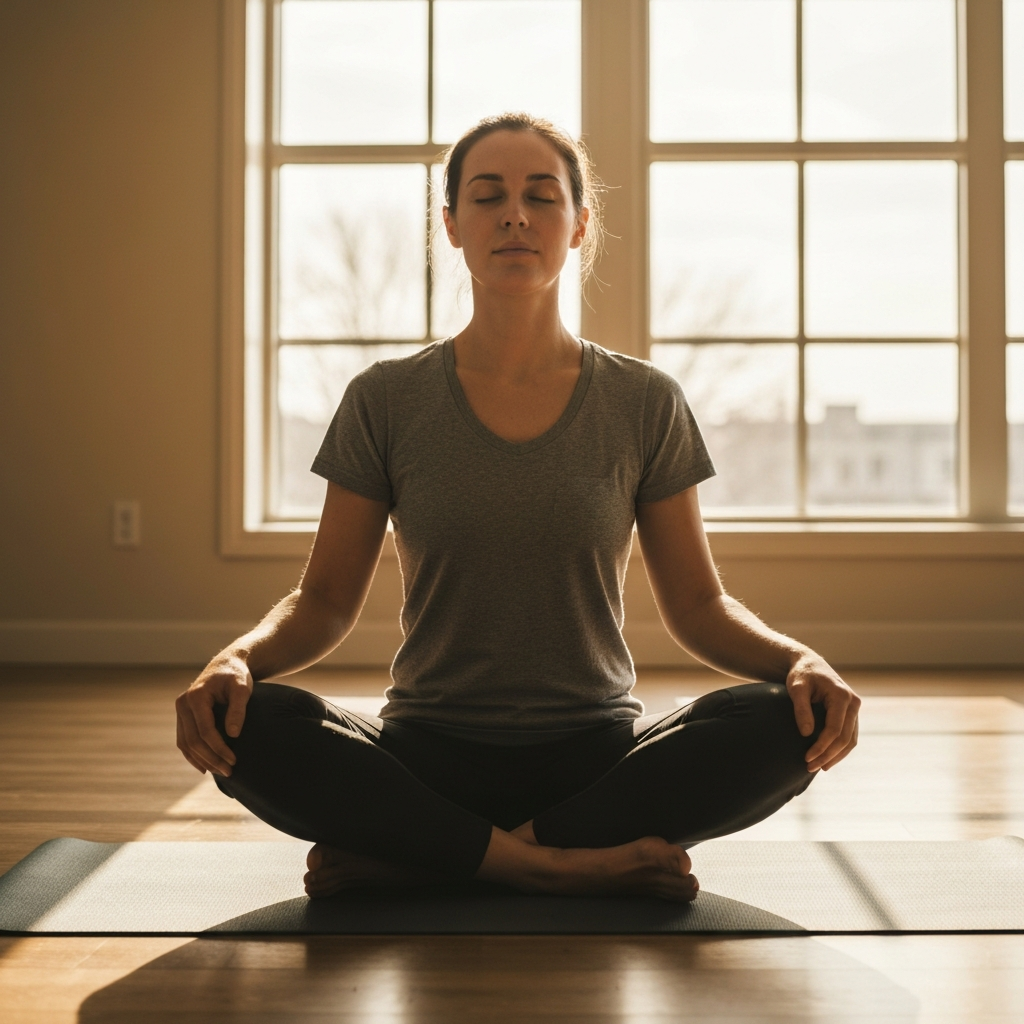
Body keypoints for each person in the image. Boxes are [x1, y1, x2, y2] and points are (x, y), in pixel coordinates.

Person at [175, 113, 860, 902]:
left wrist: (800, 661)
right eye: (487, 195)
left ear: (578, 226)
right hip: (426, 756)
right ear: (451, 227)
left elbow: (699, 606)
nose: (514, 215)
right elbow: (324, 600)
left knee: (784, 722)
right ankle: (562, 865)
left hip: (594, 759)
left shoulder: (645, 402)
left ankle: (429, 858)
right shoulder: (385, 400)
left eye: (541, 196)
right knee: (249, 725)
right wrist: (235, 659)